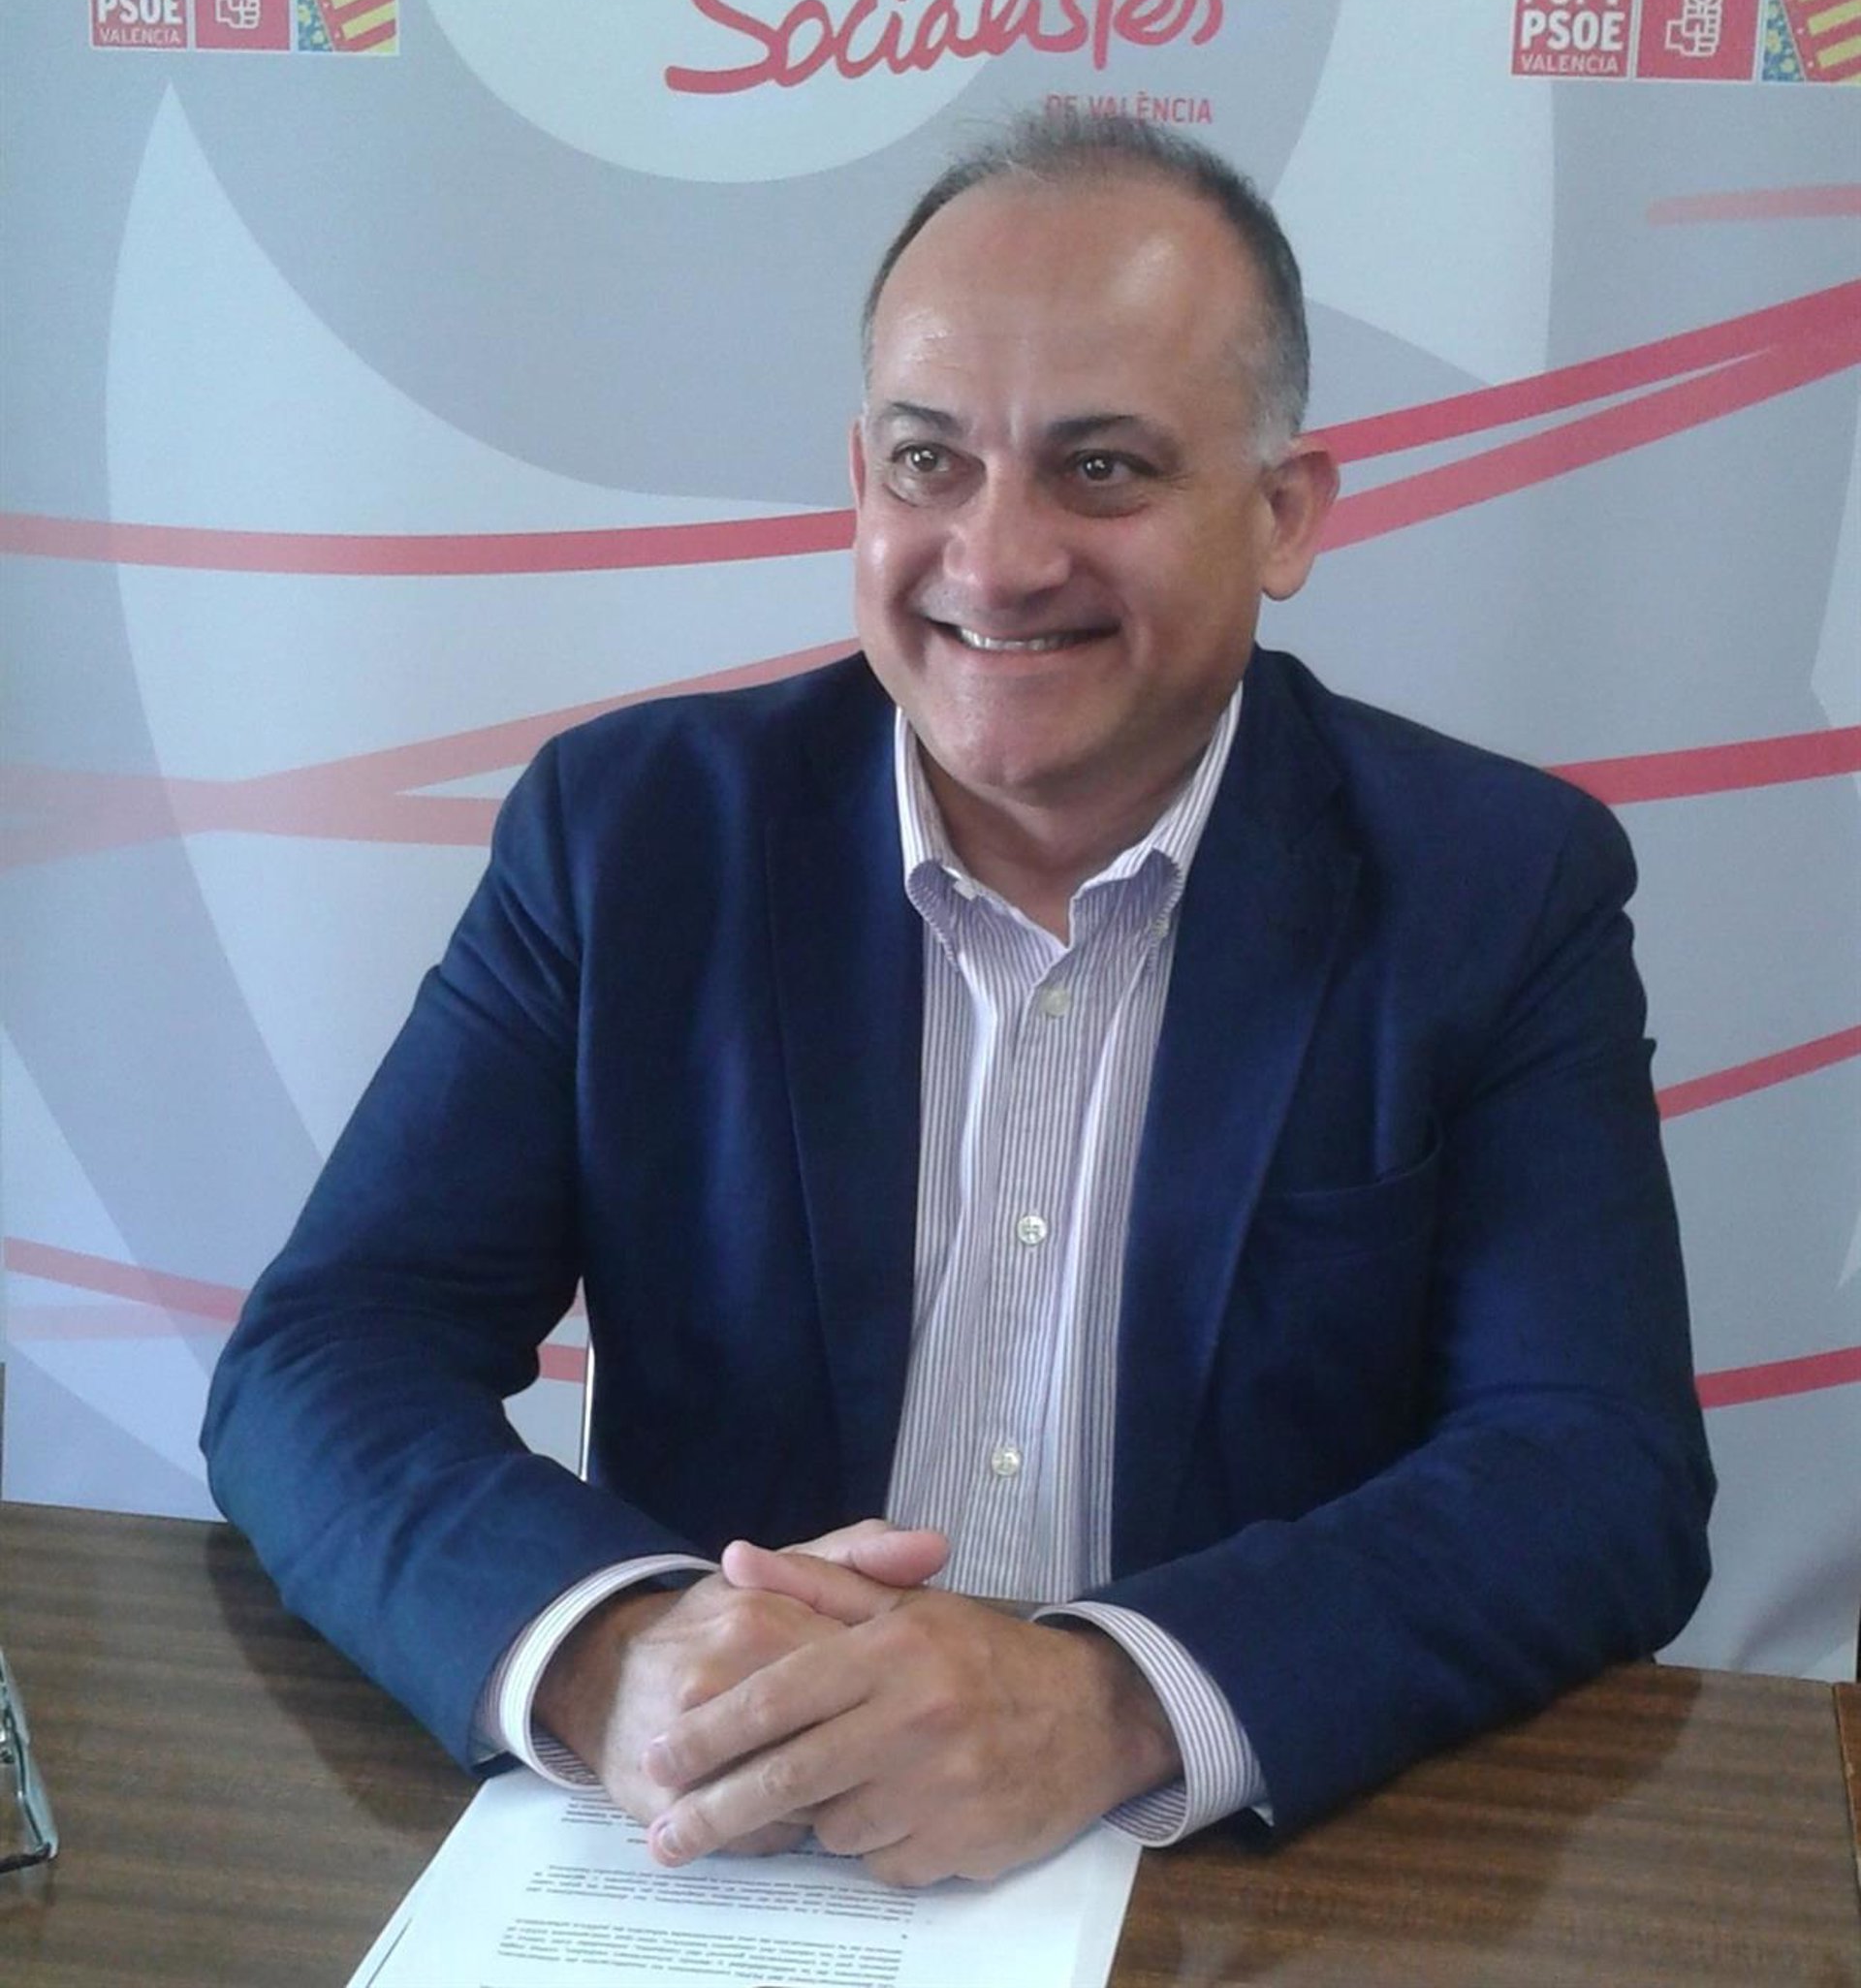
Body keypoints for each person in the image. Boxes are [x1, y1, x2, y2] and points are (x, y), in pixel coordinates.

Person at [204, 112, 1713, 1887]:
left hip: (1236, 1884)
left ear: (1284, 512)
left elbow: (1591, 1468)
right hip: (728, 1855)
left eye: (1102, 469)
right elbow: (327, 1355)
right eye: (931, 463)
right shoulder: (633, 839)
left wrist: (1111, 1697)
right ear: (862, 481)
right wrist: (616, 1655)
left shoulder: (1496, 887)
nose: (994, 561)